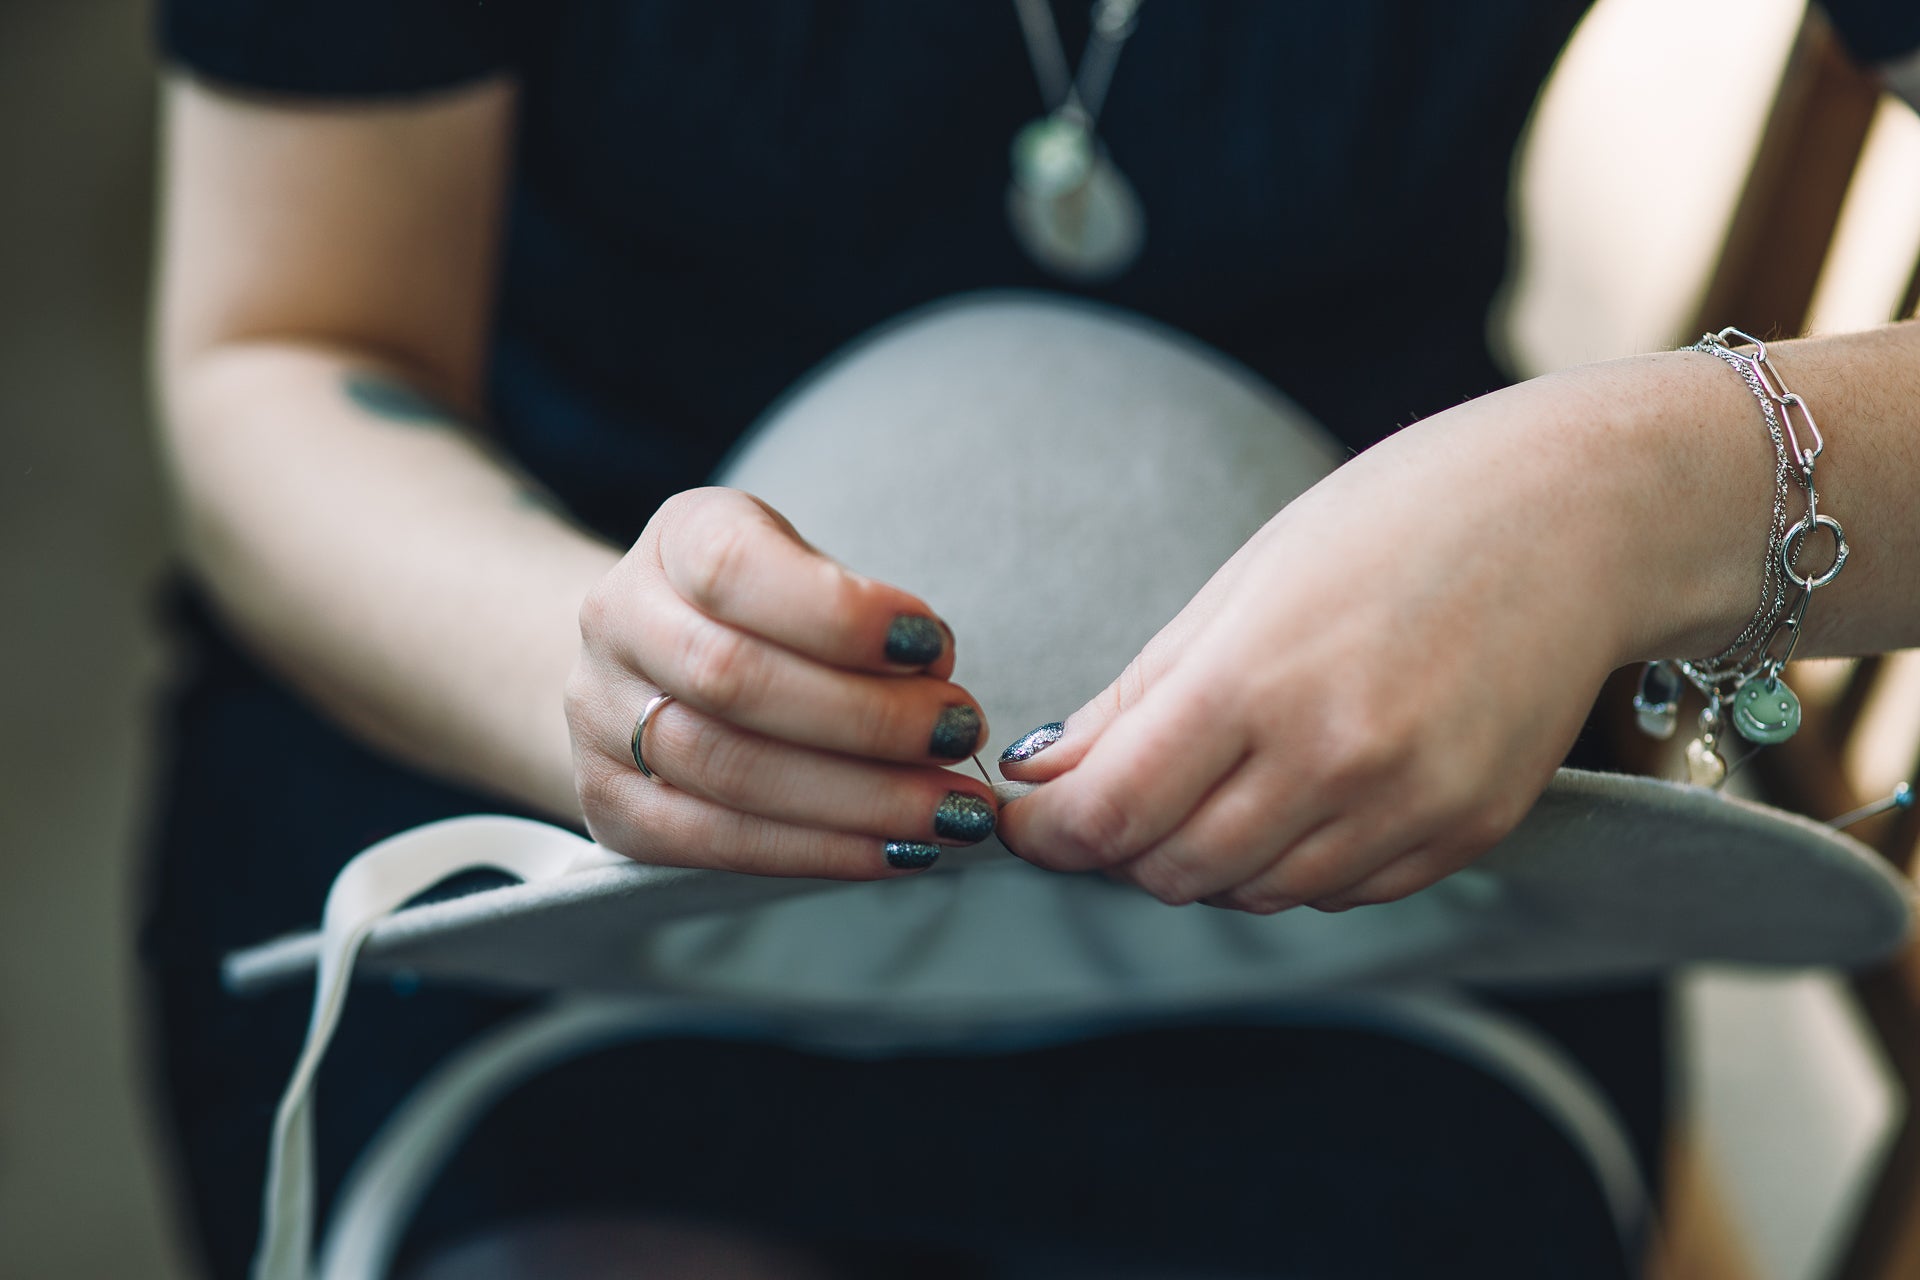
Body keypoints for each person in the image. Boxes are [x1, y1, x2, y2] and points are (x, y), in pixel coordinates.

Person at [142, 2, 1920, 1276]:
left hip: (1374, 840)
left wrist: (1634, 495)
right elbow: (290, 342)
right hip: (536, 737)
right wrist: (596, 681)